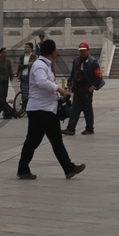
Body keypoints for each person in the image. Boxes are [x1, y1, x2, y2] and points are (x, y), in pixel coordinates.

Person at [16, 38, 85, 180]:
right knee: (33, 140)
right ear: (54, 52)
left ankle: (68, 168)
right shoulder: (40, 65)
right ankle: (22, 169)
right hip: (39, 110)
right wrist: (59, 89)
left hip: (49, 109)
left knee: (57, 140)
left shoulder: (45, 65)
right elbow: (42, 82)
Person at [65, 42, 101, 135]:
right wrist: (70, 85)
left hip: (87, 88)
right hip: (77, 88)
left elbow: (99, 76)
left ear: (88, 50)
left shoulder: (93, 62)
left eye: (84, 51)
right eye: (81, 51)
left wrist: (93, 86)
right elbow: (73, 74)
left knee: (87, 109)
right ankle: (71, 128)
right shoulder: (76, 60)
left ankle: (89, 128)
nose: (82, 53)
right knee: (75, 109)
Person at [17, 42, 36, 112]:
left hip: (30, 76)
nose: (25, 48)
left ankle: (29, 106)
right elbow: (19, 65)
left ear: (31, 48)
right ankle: (24, 106)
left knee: (29, 92)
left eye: (27, 47)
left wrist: (25, 65)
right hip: (23, 75)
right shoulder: (22, 56)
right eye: (25, 47)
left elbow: (31, 63)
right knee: (23, 92)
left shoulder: (34, 56)